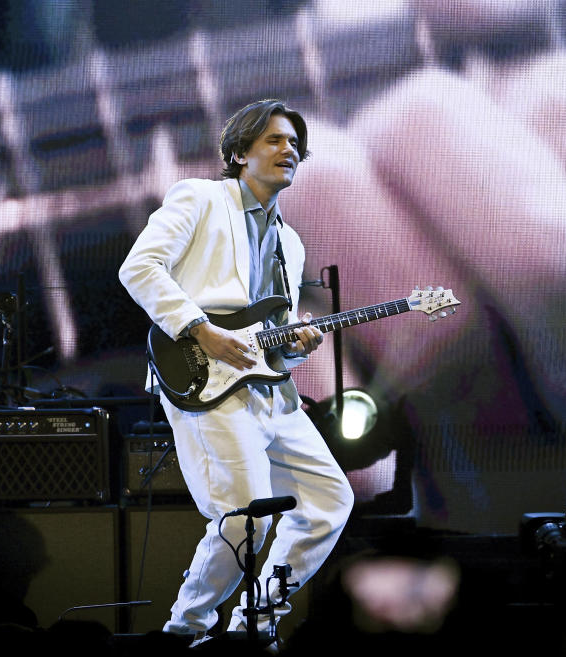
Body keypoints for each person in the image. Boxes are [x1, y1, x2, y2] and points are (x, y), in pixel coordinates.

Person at [118, 99, 355, 646]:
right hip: (206, 380)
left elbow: (272, 336)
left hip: (269, 391)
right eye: (274, 139)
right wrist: (201, 331)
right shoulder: (200, 197)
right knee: (245, 519)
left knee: (328, 499)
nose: (288, 149)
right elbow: (140, 267)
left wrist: (297, 347)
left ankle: (257, 618)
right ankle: (185, 631)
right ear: (239, 152)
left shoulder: (290, 244)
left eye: (295, 143)